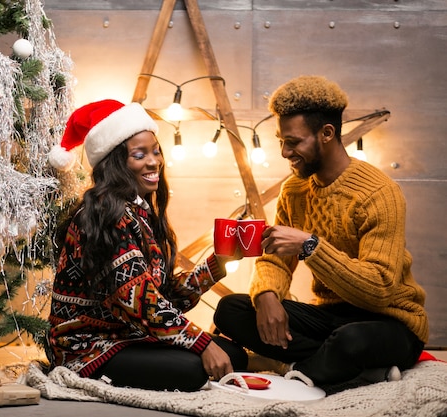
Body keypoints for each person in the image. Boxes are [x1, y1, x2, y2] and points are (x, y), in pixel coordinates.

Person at [213, 75, 428, 388]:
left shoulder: (380, 193)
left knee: (351, 340)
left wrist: (312, 246)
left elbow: (379, 288)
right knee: (230, 309)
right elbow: (275, 259)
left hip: (390, 321)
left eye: (294, 142)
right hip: (328, 318)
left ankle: (295, 368)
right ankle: (352, 370)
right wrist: (267, 296)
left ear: (327, 133)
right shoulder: (295, 190)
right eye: (281, 141)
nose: (285, 152)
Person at [46, 99, 247, 392]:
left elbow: (163, 299)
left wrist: (219, 262)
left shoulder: (138, 212)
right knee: (195, 368)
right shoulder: (105, 214)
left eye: (155, 151)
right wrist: (201, 343)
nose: (153, 162)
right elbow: (141, 303)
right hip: (86, 346)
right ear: (115, 163)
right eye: (139, 155)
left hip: (129, 335)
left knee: (233, 355)